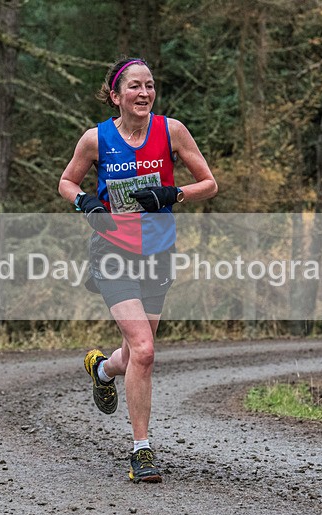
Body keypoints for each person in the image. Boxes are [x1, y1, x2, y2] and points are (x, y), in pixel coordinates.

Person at [58, 57, 217, 483]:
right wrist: (86, 203)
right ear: (116, 95)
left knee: (133, 355)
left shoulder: (172, 131)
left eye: (149, 85)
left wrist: (172, 192)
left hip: (158, 251)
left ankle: (103, 368)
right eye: (134, 86)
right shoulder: (96, 139)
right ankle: (141, 451)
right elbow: (67, 182)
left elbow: (209, 183)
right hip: (112, 252)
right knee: (145, 350)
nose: (144, 93)